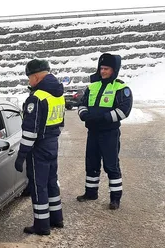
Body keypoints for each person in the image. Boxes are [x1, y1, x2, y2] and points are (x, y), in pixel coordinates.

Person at [15, 59, 65, 235]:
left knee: (38, 186)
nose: (29, 81)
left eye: (29, 78)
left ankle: (42, 225)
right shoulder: (58, 94)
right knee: (52, 182)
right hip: (53, 144)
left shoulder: (37, 98)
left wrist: (21, 155)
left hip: (39, 148)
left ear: (36, 77)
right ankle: (57, 218)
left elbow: (30, 132)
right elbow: (60, 123)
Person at [77, 53, 133, 210]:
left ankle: (115, 199)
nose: (102, 72)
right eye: (101, 68)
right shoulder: (92, 86)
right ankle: (91, 193)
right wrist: (84, 115)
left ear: (114, 70)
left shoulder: (121, 88)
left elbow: (124, 111)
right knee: (91, 163)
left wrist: (103, 118)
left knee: (111, 165)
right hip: (93, 133)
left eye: (106, 69)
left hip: (109, 133)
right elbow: (81, 104)